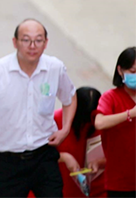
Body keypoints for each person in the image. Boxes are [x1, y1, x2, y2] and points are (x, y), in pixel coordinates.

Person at [0, 19, 77, 198]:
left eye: (38, 40)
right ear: (15, 42)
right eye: (26, 40)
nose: (32, 46)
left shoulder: (54, 68)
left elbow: (70, 97)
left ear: (46, 43)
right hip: (6, 161)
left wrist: (65, 128)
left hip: (43, 155)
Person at [94, 47, 136, 197]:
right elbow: (100, 123)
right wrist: (130, 114)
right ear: (120, 70)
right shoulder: (110, 97)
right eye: (132, 71)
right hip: (120, 181)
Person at [57, 87, 106, 198]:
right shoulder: (55, 121)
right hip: (62, 188)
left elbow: (117, 156)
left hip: (97, 190)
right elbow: (39, 155)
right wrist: (64, 157)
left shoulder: (103, 124)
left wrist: (99, 162)